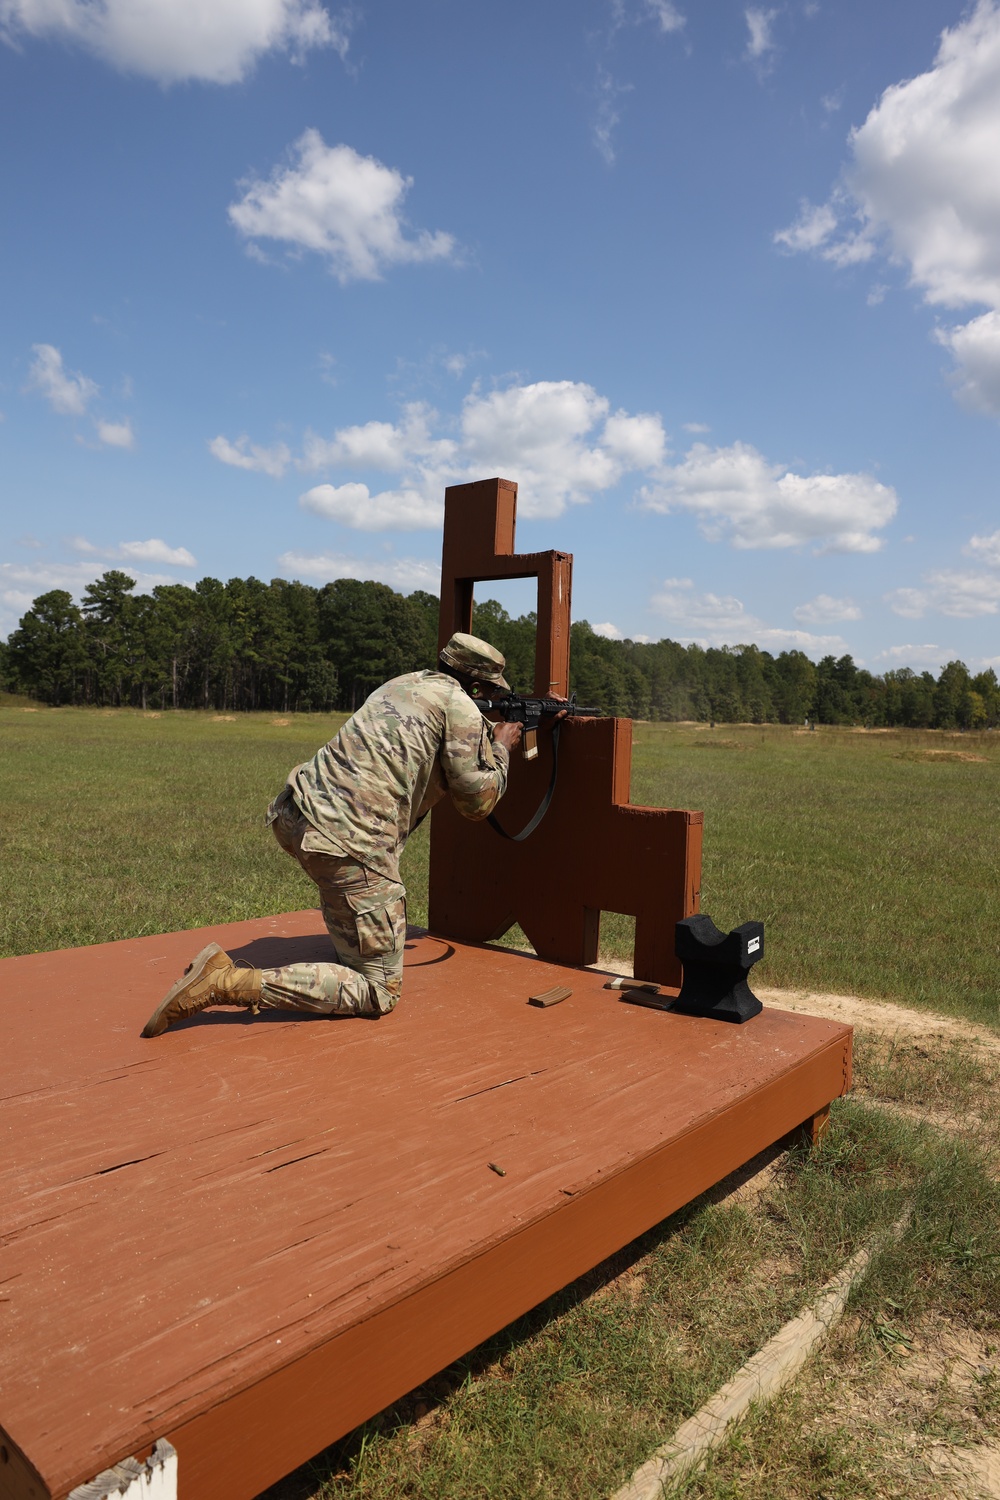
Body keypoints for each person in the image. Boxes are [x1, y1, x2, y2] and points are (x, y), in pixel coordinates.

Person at [142, 633, 522, 1036]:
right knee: (379, 990)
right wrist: (501, 750)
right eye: (491, 694)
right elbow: (476, 804)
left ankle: (351, 940)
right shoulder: (460, 705)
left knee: (354, 912)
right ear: (477, 687)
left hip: (294, 815)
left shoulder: (403, 684)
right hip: (345, 845)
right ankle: (224, 982)